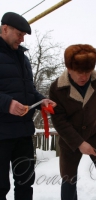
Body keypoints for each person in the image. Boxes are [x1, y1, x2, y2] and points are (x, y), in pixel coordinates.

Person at [49, 44, 96, 200]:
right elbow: (59, 120)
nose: (84, 77)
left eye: (87, 72)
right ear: (69, 69)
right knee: (68, 179)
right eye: (79, 72)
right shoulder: (57, 88)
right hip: (70, 139)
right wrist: (79, 143)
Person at [0, 12, 56, 200]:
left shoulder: (23, 58)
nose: (22, 39)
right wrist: (7, 104)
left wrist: (41, 101)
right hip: (1, 134)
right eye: (19, 34)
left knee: (25, 184)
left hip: (23, 133)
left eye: (24, 35)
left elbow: (29, 90)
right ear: (5, 28)